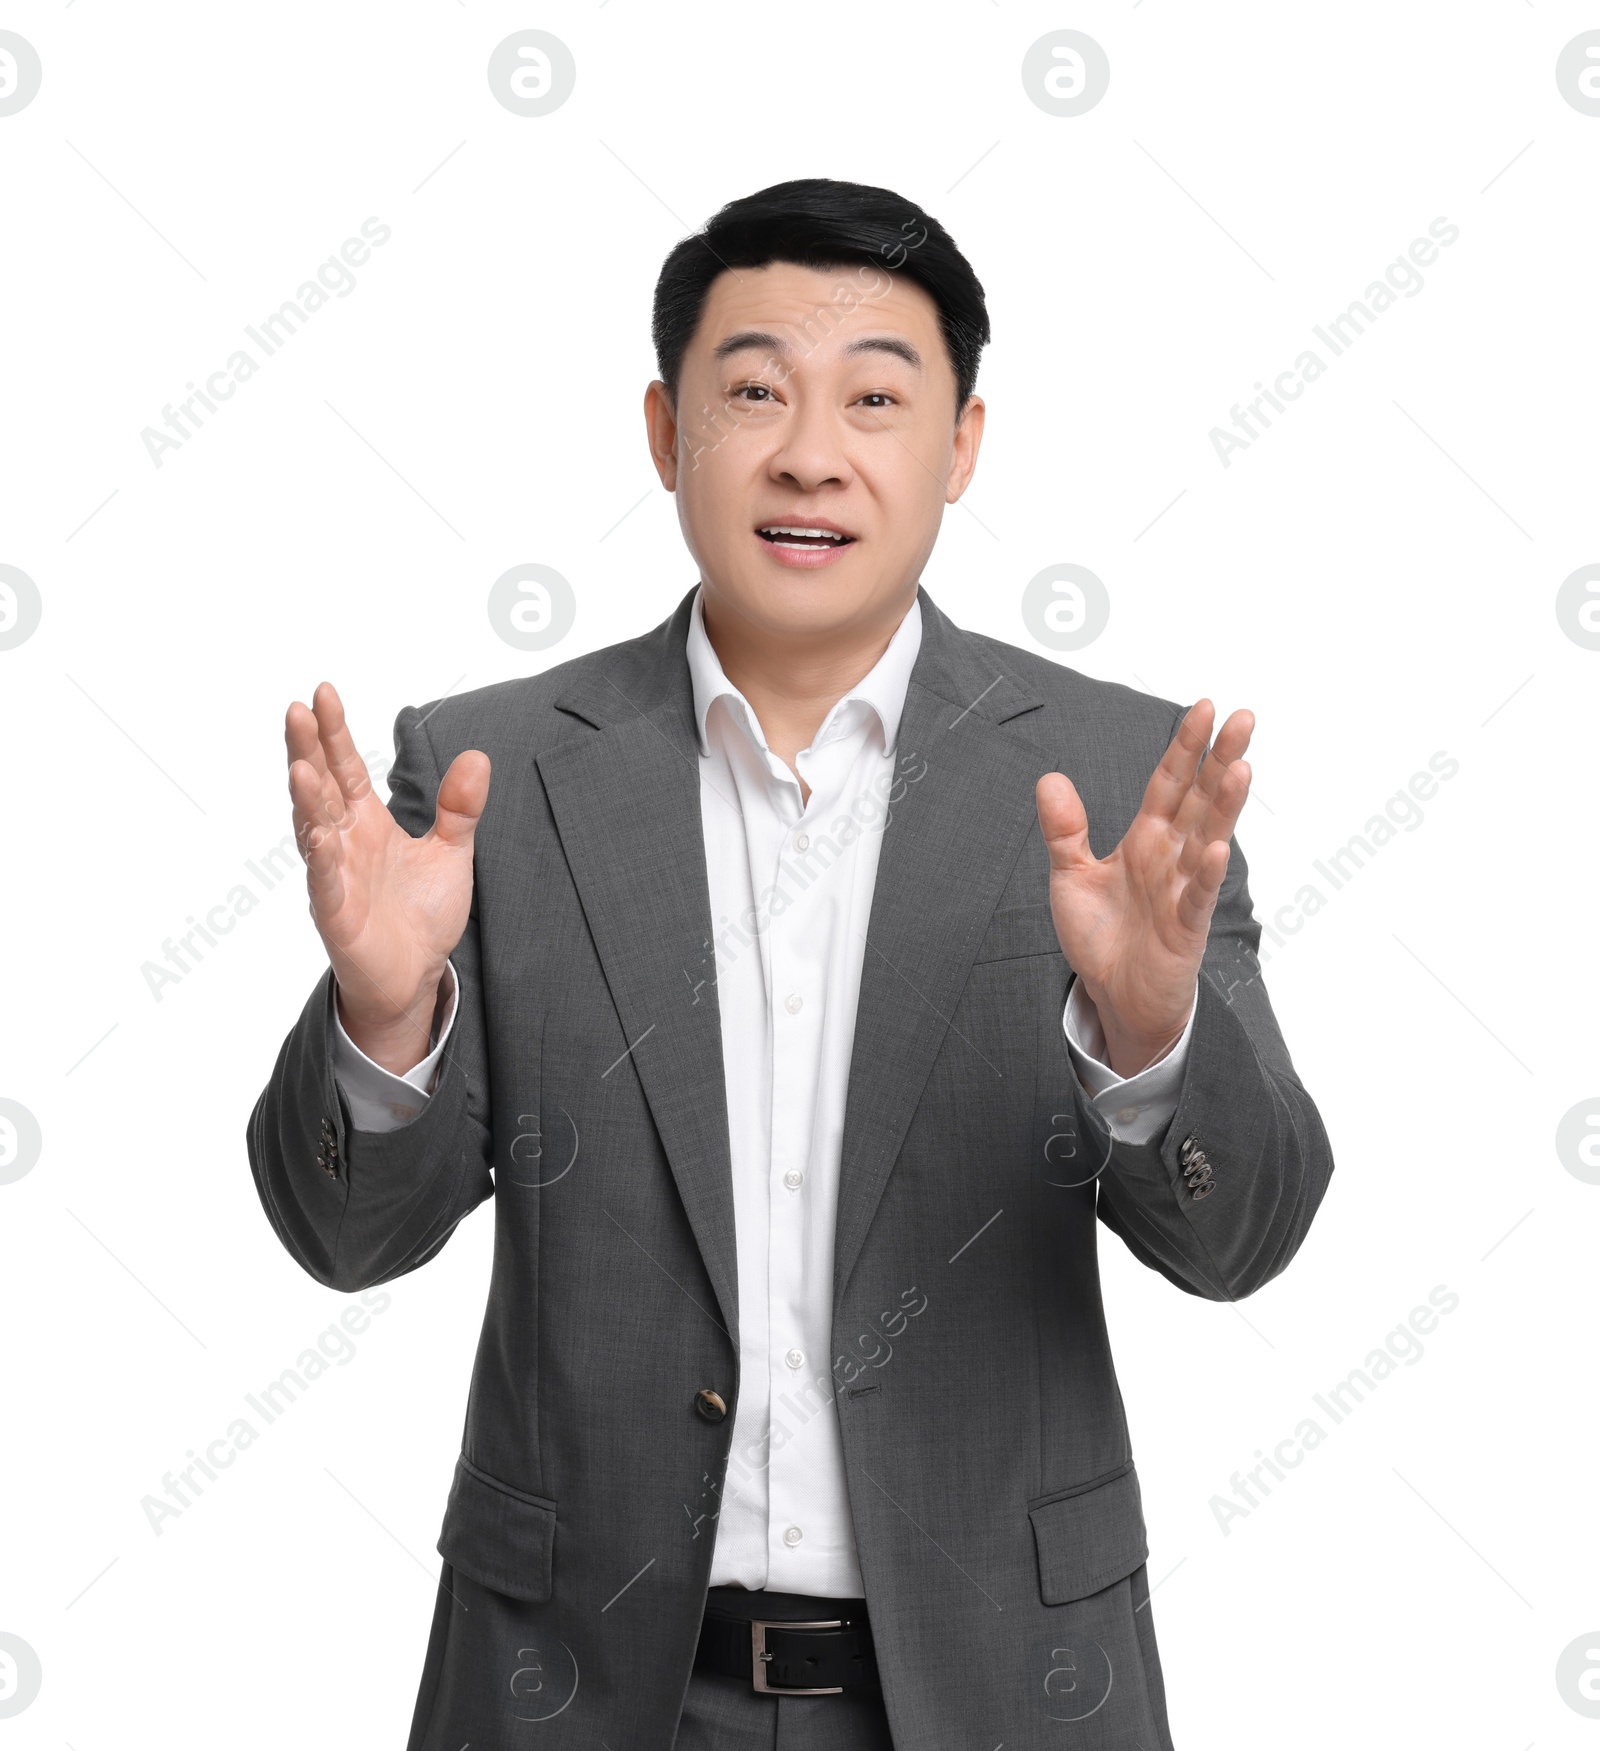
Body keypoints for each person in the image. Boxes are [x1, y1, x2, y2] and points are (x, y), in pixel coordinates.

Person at [247, 177, 1334, 1749]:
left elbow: (1243, 1242)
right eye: (752, 390)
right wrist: (383, 1009)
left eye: (876, 399)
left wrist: (1152, 1039)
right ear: (663, 430)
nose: (811, 451)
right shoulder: (491, 775)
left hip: (999, 1691)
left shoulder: (1118, 781)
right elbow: (345, 1238)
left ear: (960, 446)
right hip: (579, 1690)